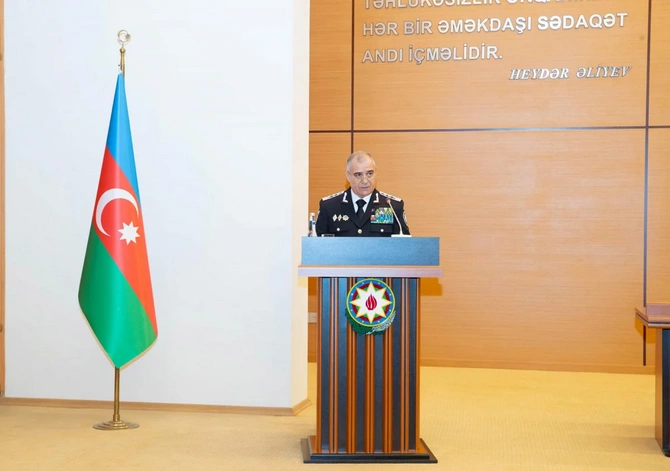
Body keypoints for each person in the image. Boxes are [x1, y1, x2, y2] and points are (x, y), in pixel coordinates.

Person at [315, 151, 410, 237]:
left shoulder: (392, 206)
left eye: (369, 174)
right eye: (358, 175)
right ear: (348, 176)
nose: (365, 181)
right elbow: (318, 246)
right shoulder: (329, 207)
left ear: (376, 173)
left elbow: (404, 246)